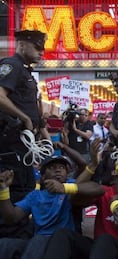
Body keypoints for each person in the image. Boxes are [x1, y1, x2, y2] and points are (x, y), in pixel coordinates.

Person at [42, 139, 118, 259]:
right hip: (100, 249)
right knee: (63, 234)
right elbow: (73, 198)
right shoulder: (106, 191)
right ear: (115, 172)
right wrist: (92, 166)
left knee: (106, 240)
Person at [0, 154, 103, 259]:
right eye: (52, 168)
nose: (58, 170)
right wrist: (3, 189)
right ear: (43, 176)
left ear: (67, 174)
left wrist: (64, 188)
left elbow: (98, 189)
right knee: (5, 244)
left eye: (61, 167)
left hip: (63, 243)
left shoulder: (70, 187)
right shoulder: (35, 196)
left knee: (39, 240)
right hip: (37, 244)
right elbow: (12, 218)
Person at [0, 29, 47, 239]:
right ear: (21, 44)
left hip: (23, 147)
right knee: (15, 192)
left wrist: (39, 123)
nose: (42, 52)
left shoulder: (25, 71)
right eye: (37, 47)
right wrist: (25, 118)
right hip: (11, 147)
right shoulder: (12, 66)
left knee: (26, 190)